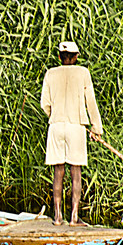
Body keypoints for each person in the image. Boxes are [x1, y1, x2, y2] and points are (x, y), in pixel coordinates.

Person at [39, 40, 104, 226]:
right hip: (76, 127)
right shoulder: (83, 73)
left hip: (56, 126)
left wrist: (55, 116)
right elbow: (90, 102)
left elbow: (45, 103)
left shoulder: (50, 73)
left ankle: (58, 217)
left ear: (60, 57)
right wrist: (95, 128)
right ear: (76, 57)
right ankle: (74, 217)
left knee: (58, 171)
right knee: (76, 172)